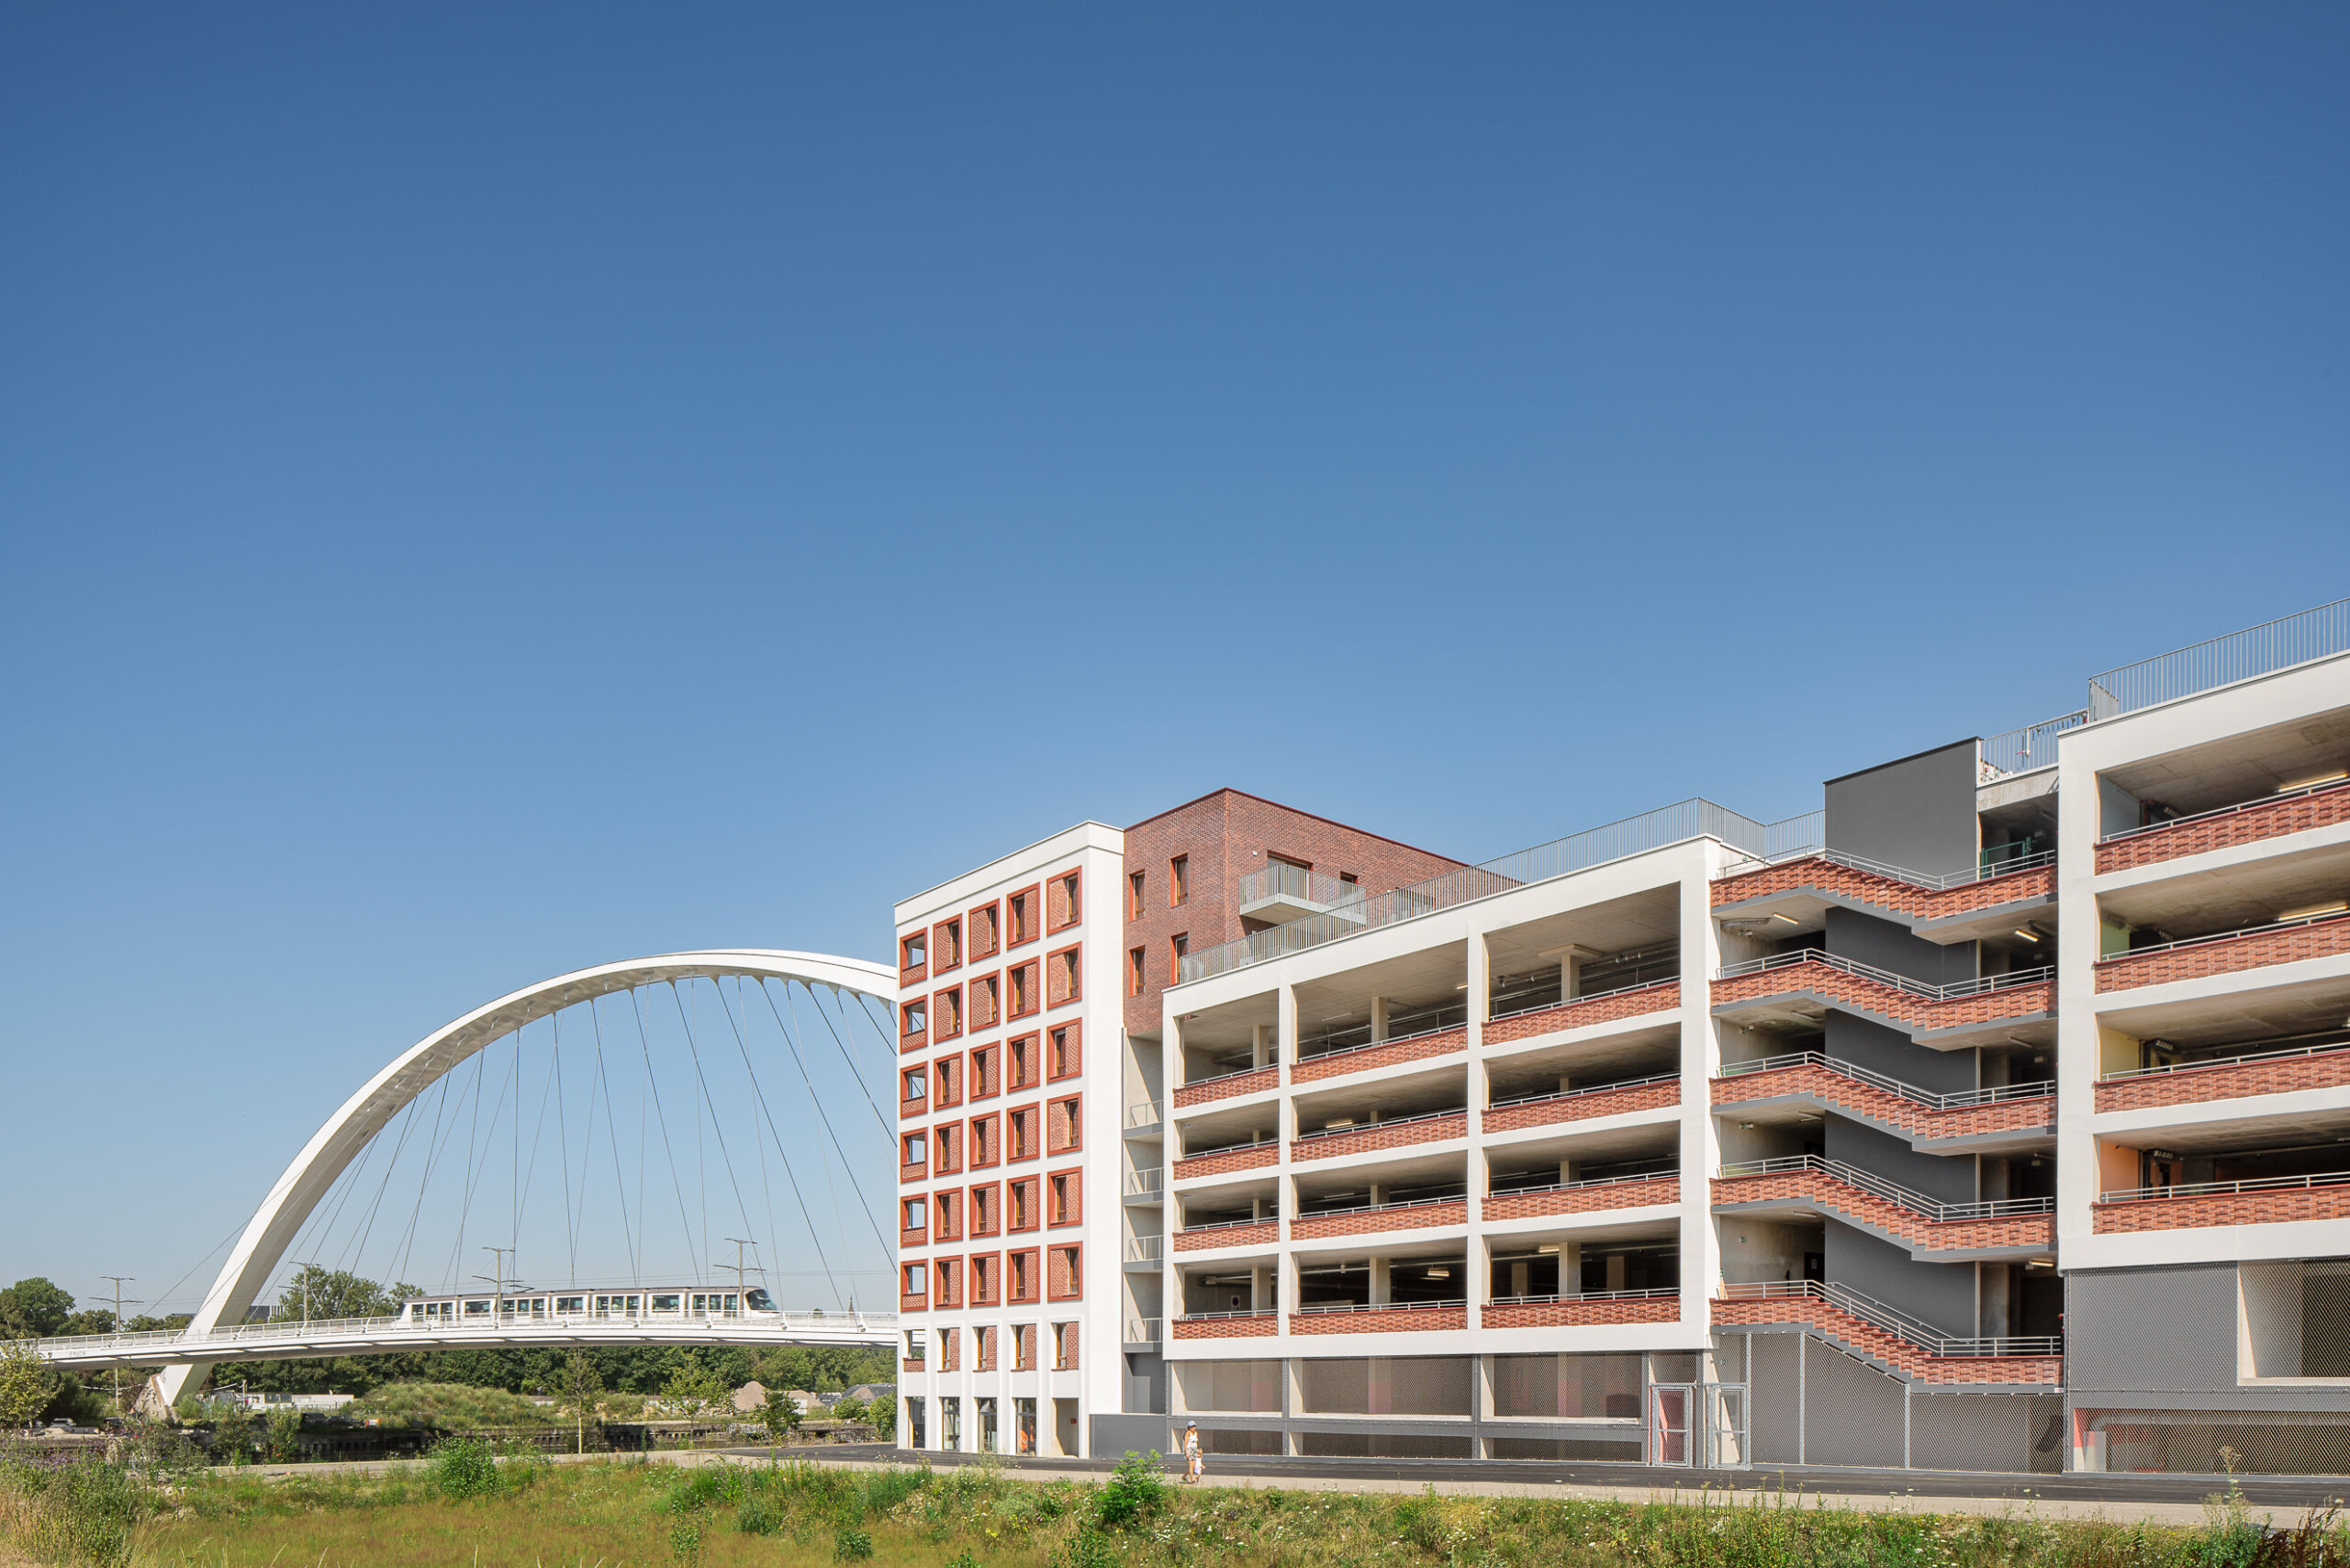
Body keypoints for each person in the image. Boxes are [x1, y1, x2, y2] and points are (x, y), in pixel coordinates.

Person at [1182, 1419, 1203, 1485]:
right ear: (1189, 1427)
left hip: (1194, 1449)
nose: (1193, 1428)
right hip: (1189, 1449)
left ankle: (1184, 1476)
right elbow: (1185, 1444)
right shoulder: (1188, 1433)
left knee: (1193, 1466)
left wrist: (1197, 1451)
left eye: (1194, 1426)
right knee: (1191, 1465)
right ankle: (1192, 1479)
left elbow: (1196, 1442)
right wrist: (1187, 1452)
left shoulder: (1195, 1433)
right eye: (1192, 1426)